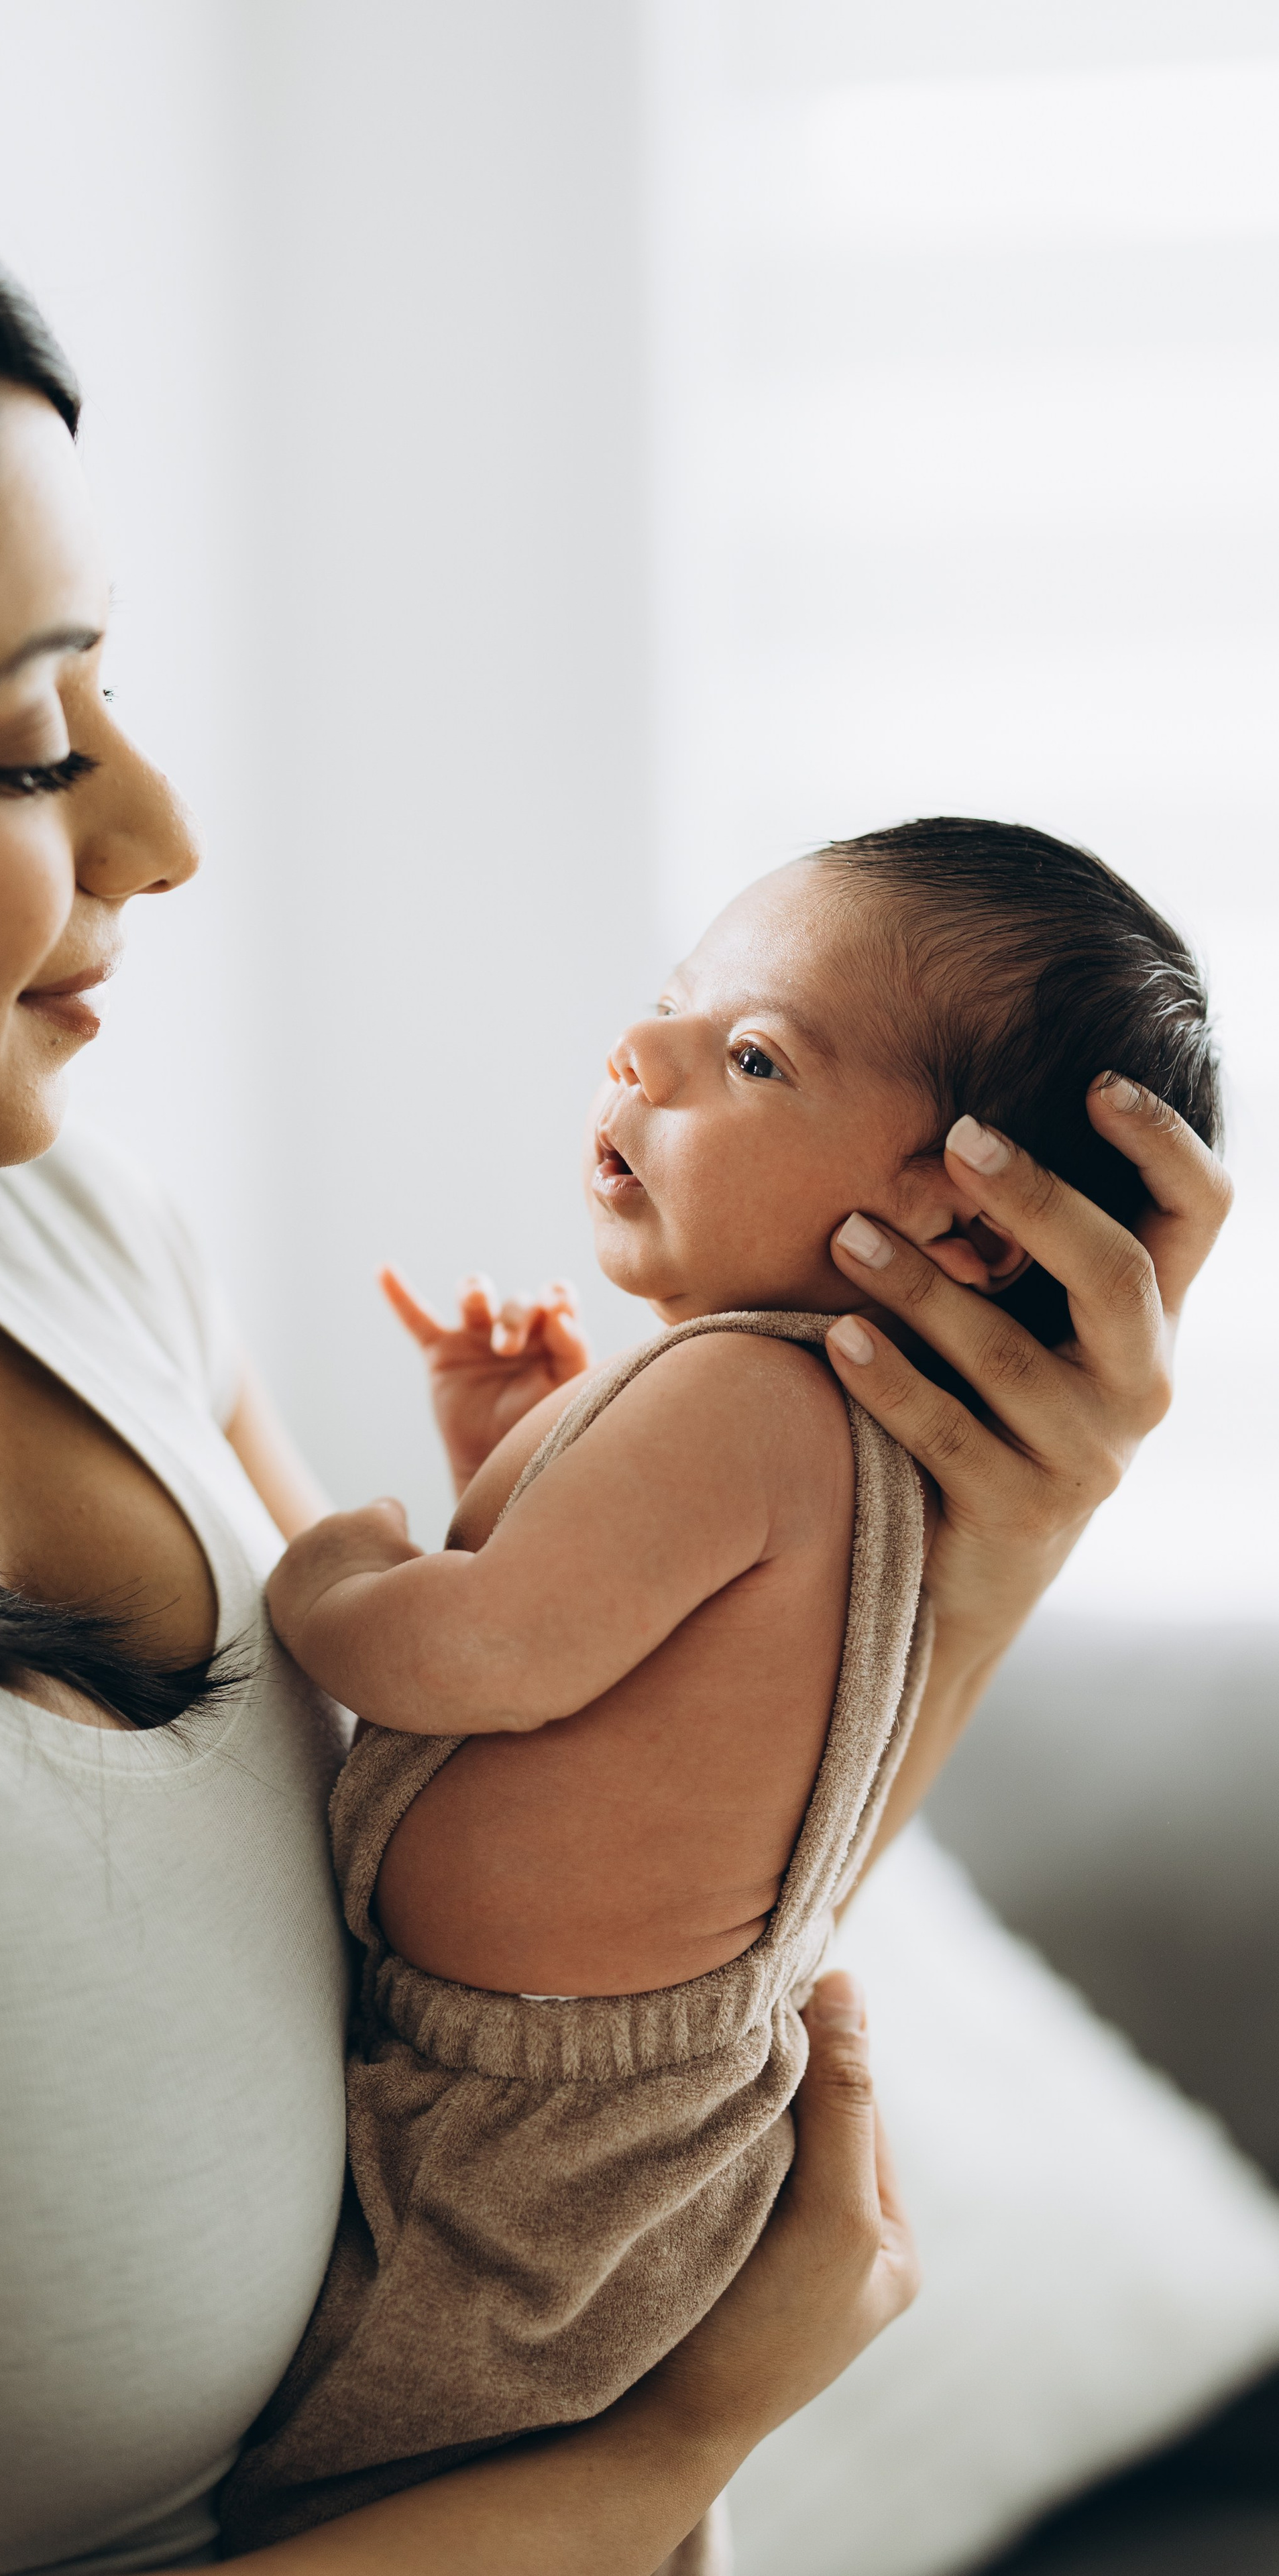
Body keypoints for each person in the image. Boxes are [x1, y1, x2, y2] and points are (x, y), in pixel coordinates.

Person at [0, 118, 1231, 2576]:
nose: (162, 829)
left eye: (112, 697)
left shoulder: (65, 1238)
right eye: (32, 743)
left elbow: (607, 1874)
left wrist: (987, 1524)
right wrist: (657, 2461)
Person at [216, 824, 1219, 2553]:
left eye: (752, 1059)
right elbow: (626, 1639)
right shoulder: (801, 1422)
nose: (644, 1054)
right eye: (675, 1012)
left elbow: (479, 1656)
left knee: (401, 2444)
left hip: (550, 2096)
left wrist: (331, 1566)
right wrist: (505, 1449)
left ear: (967, 1231)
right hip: (593, 2077)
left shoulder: (744, 1403)